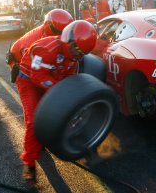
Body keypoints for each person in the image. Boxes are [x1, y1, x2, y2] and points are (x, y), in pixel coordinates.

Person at [16, 20, 98, 183]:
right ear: (68, 38)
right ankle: (29, 164)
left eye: (82, 53)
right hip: (29, 81)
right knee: (33, 121)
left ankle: (76, 142)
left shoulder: (74, 57)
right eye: (76, 50)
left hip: (51, 79)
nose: (77, 55)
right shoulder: (44, 48)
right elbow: (37, 76)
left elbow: (68, 78)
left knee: (67, 111)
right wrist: (60, 92)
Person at [7, 9, 74, 75]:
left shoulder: (48, 30)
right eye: (61, 32)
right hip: (18, 60)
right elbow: (33, 67)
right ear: (51, 27)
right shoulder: (33, 43)